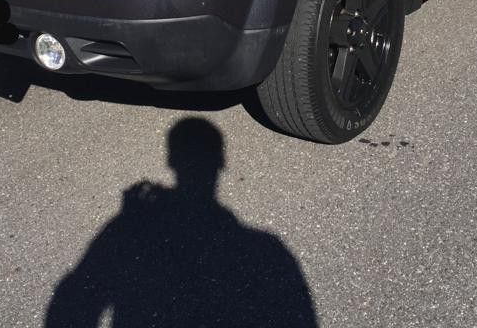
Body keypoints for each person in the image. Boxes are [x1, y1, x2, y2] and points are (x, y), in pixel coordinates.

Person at [45, 117, 317, 327]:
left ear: (171, 161)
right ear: (221, 164)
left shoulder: (124, 228)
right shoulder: (268, 249)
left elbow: (75, 295)